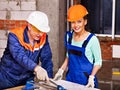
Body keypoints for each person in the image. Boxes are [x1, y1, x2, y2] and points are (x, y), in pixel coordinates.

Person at [0, 11, 53, 89]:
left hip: (26, 79)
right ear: (29, 26)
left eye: (42, 31)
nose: (40, 34)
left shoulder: (43, 38)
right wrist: (37, 68)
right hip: (7, 77)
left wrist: (49, 80)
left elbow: (47, 59)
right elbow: (19, 56)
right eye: (37, 30)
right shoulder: (15, 36)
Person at [53, 4, 102, 88]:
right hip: (70, 79)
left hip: (86, 81)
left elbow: (98, 62)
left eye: (79, 21)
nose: (76, 25)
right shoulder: (69, 37)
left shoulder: (92, 40)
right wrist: (60, 71)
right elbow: (68, 57)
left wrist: (91, 77)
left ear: (85, 22)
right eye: (73, 22)